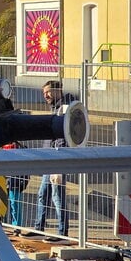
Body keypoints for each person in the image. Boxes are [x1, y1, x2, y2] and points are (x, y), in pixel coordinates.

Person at [34, 80, 76, 238]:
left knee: (57, 196)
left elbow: (62, 137)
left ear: (58, 90)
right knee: (42, 194)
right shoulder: (56, 108)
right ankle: (39, 228)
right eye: (44, 93)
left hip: (57, 159)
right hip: (49, 159)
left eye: (48, 92)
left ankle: (61, 232)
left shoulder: (64, 110)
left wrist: (57, 162)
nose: (45, 96)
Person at [2, 142, 29, 227]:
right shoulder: (3, 147)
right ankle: (6, 224)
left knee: (14, 204)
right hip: (7, 179)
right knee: (5, 204)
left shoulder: (20, 148)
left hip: (14, 181)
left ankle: (16, 226)